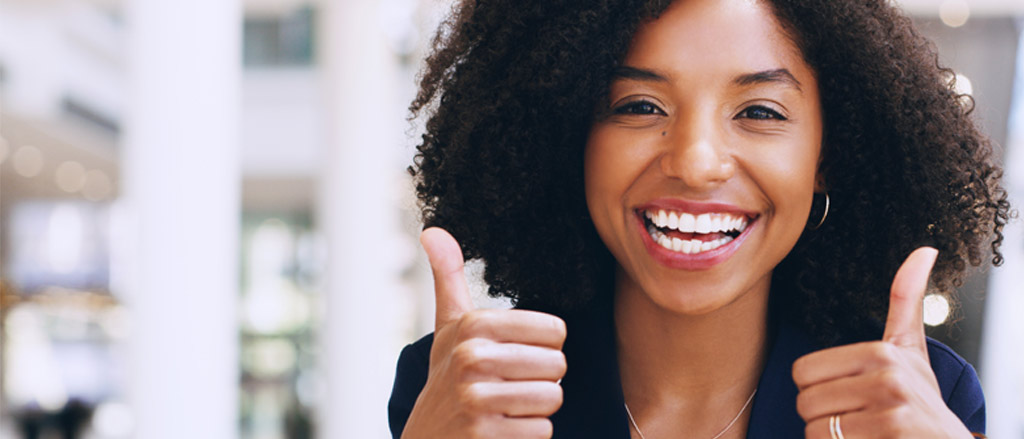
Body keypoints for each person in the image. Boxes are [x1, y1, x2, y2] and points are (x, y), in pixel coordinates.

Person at [388, 0, 1011, 437]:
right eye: (639, 105)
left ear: (829, 155)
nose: (695, 162)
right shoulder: (463, 390)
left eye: (760, 112)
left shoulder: (914, 400)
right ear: (566, 134)